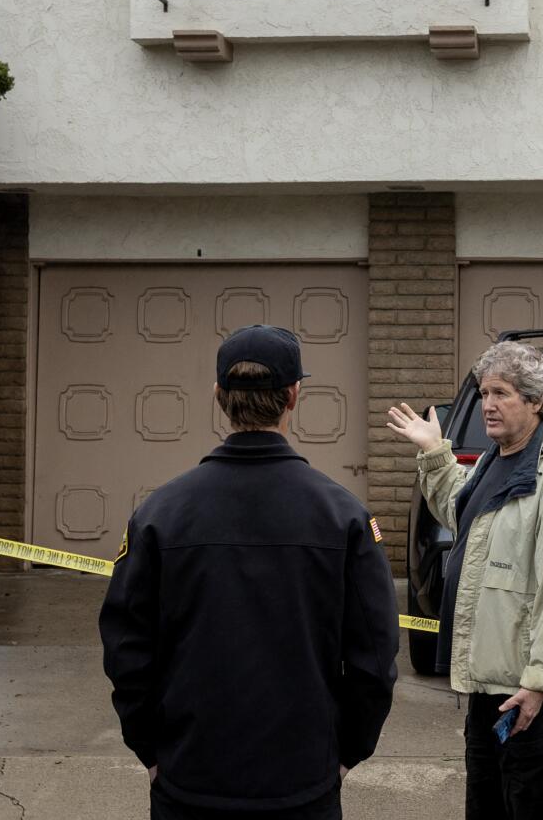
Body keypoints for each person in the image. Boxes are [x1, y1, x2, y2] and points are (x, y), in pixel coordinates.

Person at [99, 324, 399, 820]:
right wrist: (347, 752)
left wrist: (150, 748)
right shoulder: (344, 514)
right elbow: (374, 655)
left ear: (218, 396)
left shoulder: (159, 513)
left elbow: (126, 649)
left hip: (189, 778)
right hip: (301, 782)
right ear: (293, 396)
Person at [387, 340, 543, 820]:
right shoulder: (494, 461)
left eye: (501, 393)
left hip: (528, 689)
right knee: (486, 806)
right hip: (489, 683)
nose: (487, 405)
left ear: (536, 402)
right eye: (484, 392)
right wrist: (435, 453)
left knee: (532, 807)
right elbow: (464, 517)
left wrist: (541, 682)